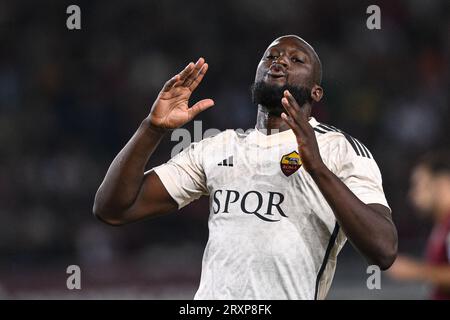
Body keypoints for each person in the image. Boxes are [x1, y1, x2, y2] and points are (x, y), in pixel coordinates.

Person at [93, 35, 398, 299]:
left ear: (316, 92)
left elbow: (384, 249)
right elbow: (113, 209)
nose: (279, 62)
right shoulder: (217, 147)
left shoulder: (338, 150)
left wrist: (317, 168)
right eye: (271, 56)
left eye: (296, 59)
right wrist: (152, 128)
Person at [388, 152, 450, 300]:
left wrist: (413, 271)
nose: (412, 195)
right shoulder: (441, 226)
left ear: (441, 184)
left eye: (418, 185)